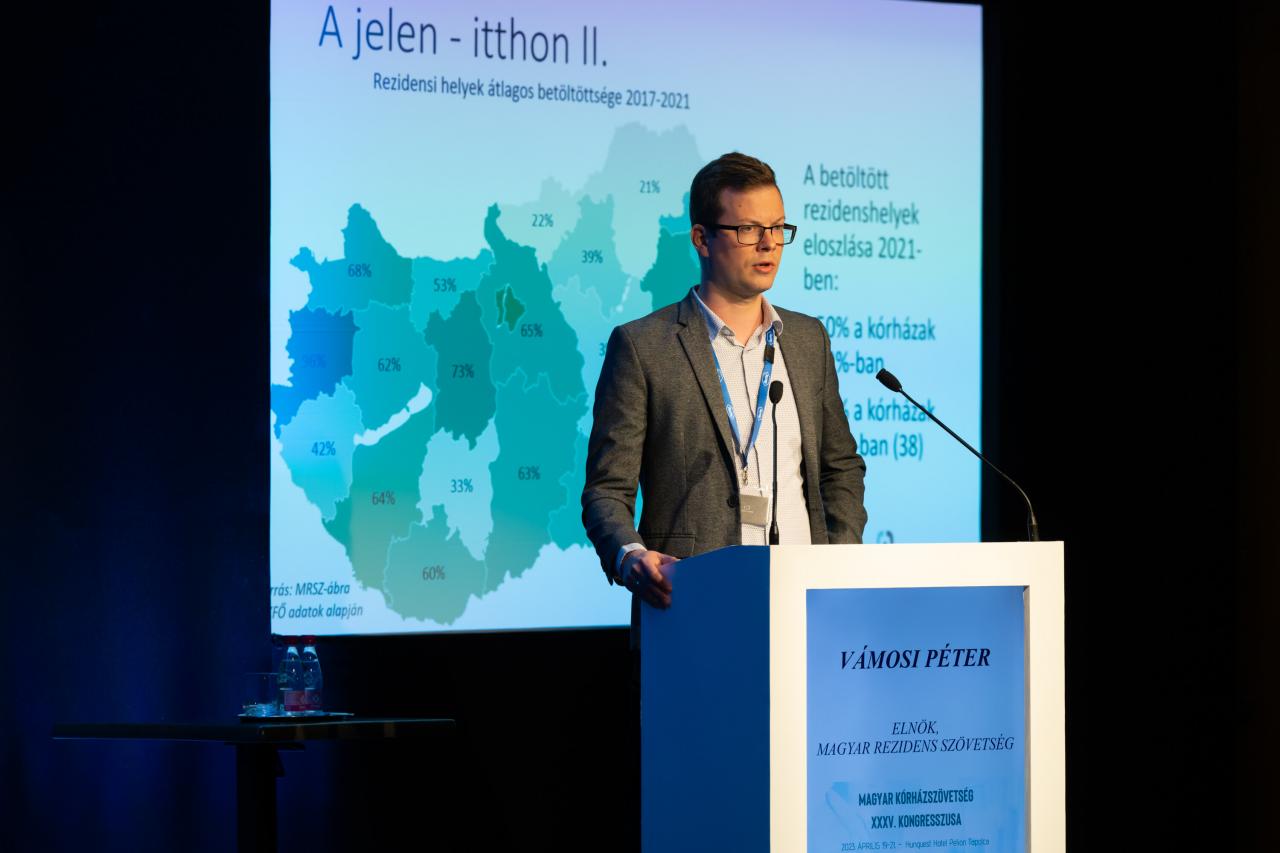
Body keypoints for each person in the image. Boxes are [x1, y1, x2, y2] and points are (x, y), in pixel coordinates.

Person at [581, 152, 867, 622]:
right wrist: (630, 556)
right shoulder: (643, 347)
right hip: (691, 605)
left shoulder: (808, 339)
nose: (768, 244)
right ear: (702, 239)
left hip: (804, 607)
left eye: (777, 228)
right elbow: (606, 491)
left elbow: (841, 469)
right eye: (749, 229)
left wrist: (838, 562)